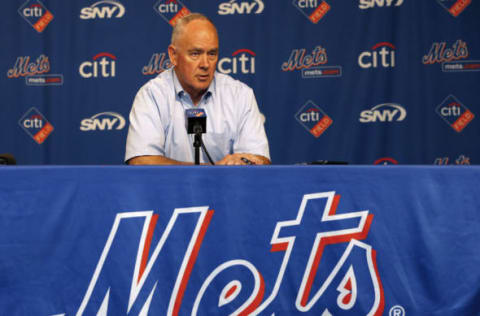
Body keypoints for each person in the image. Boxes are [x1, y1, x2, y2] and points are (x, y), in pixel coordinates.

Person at [125, 13, 270, 165]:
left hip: (225, 188)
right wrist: (211, 171)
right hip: (168, 188)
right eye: (195, 54)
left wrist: (244, 163)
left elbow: (259, 159)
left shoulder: (240, 95)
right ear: (173, 55)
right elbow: (141, 161)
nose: (205, 64)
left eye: (212, 54)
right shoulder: (152, 95)